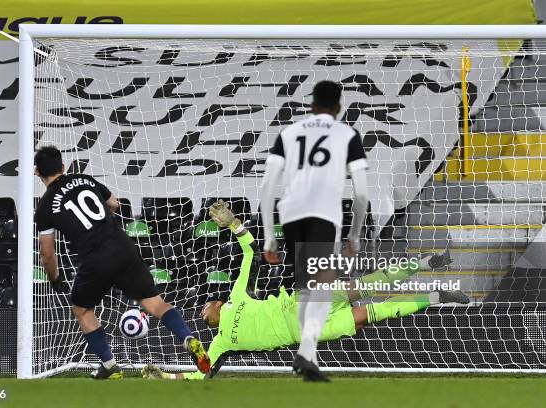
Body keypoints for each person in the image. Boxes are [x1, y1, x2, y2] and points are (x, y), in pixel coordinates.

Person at [141, 202, 465, 381]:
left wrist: (234, 224)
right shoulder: (221, 343)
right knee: (369, 314)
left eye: (202, 307)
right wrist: (167, 378)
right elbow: (204, 372)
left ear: (216, 302)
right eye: (201, 313)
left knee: (364, 286)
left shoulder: (237, 295)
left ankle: (429, 260)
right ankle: (437, 296)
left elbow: (251, 252)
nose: (201, 312)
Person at [34, 145, 210, 379]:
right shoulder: (85, 179)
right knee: (155, 303)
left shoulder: (45, 205)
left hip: (95, 258)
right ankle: (188, 338)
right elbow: (116, 204)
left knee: (82, 309)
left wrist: (55, 280)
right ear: (63, 167)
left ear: (37, 172)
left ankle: (109, 364)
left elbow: (47, 254)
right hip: (123, 247)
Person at [259, 80, 370, 380]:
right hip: (322, 213)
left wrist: (270, 235)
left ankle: (306, 356)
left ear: (311, 106)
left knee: (308, 286)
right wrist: (355, 235)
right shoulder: (347, 134)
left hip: (291, 213)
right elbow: (361, 193)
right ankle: (306, 356)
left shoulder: (288, 133)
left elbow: (268, 185)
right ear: (338, 108)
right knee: (321, 286)